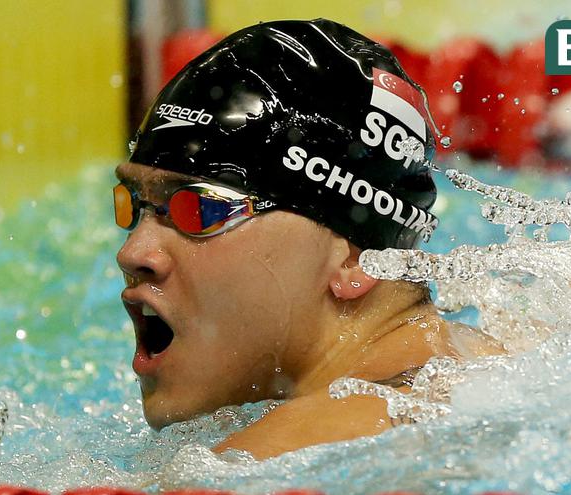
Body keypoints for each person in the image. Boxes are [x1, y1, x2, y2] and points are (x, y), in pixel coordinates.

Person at [114, 18, 503, 460]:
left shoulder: (305, 446)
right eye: (133, 203)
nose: (133, 253)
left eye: (200, 209)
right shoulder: (497, 357)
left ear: (357, 261)